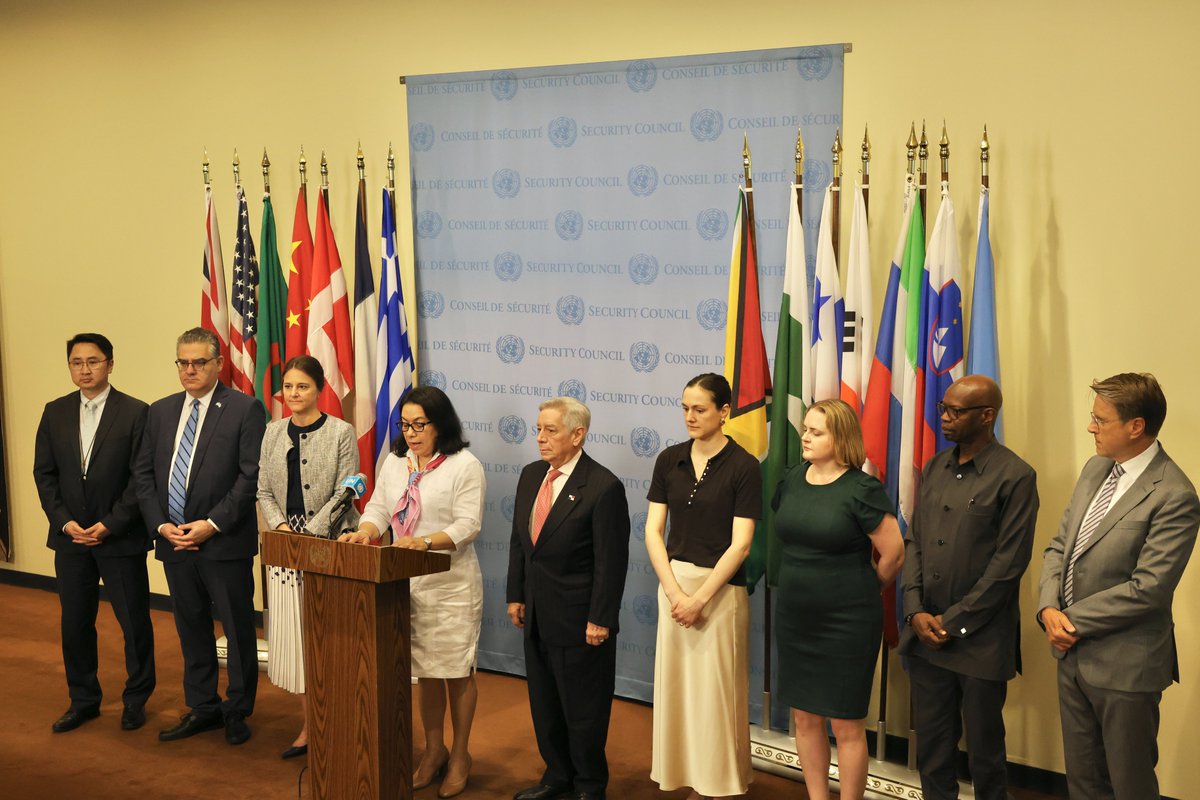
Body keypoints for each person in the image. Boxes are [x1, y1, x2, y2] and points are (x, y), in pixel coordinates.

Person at [1037, 373, 1199, 800]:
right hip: (1071, 656)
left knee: (1128, 785)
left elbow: (1148, 589)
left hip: (1127, 666)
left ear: (1135, 426)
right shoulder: (1095, 470)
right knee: (1083, 782)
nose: (1091, 427)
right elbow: (1059, 547)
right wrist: (1047, 609)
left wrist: (1067, 620)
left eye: (1099, 419)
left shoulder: (1175, 495)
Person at [340, 385, 484, 799]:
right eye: (405, 425)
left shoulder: (464, 465)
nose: (412, 433)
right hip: (404, 582)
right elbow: (380, 509)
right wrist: (366, 532)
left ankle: (460, 755)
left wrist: (423, 542)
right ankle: (434, 749)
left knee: (455, 671)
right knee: (425, 672)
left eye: (420, 424)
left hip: (450, 584)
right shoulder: (396, 462)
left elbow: (467, 524)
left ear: (440, 424)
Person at [900, 375, 1039, 800]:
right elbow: (916, 541)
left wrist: (953, 622)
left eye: (956, 411)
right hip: (926, 635)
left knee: (984, 752)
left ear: (987, 416)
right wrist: (914, 609)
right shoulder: (937, 466)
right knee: (934, 749)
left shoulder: (1015, 475)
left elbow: (1008, 564)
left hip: (979, 640)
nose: (944, 417)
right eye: (944, 407)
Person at [134, 327, 265, 746]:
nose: (189, 370)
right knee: (191, 627)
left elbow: (249, 477)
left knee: (237, 626)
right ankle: (203, 706)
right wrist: (160, 524)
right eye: (183, 363)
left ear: (217, 364)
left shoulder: (244, 409)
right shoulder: (160, 411)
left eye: (198, 362)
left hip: (222, 542)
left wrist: (211, 524)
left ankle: (238, 709)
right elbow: (144, 475)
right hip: (173, 540)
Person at [771, 398, 904, 800]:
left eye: (816, 432)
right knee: (804, 717)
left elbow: (894, 552)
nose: (805, 437)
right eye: (805, 430)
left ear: (840, 437)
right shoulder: (792, 479)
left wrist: (864, 589)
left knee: (846, 724)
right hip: (795, 617)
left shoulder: (861, 488)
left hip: (847, 622)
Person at [506, 397, 630, 800]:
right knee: (544, 703)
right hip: (537, 613)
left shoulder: (602, 486)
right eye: (538, 429)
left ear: (578, 435)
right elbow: (521, 543)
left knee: (584, 709)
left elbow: (611, 562)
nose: (540, 438)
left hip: (581, 620)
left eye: (550, 430)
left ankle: (589, 784)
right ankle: (556, 775)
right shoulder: (530, 476)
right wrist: (515, 595)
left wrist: (601, 618)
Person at [644, 373, 759, 800]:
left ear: (724, 412)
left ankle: (720, 786)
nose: (690, 416)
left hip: (720, 593)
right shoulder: (668, 459)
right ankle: (687, 778)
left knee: (716, 697)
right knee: (677, 691)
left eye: (700, 409)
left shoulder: (744, 466)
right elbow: (654, 531)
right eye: (685, 408)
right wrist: (676, 595)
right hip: (674, 588)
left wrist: (699, 599)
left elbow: (741, 544)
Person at [33, 332, 155, 733]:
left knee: (133, 622)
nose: (84, 369)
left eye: (93, 361)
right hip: (71, 540)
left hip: (119, 537)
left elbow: (142, 478)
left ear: (110, 364)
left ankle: (136, 699)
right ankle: (83, 699)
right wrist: (65, 522)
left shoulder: (136, 412)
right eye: (76, 362)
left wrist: (111, 523)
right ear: (70, 366)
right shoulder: (54, 412)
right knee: (75, 623)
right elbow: (45, 474)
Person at [257, 355, 359, 760]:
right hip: (285, 547)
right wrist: (283, 530)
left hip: (331, 543)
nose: (294, 394)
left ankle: (343, 718)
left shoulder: (341, 431)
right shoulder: (272, 432)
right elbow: (263, 489)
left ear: (319, 389)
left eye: (303, 386)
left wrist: (311, 533)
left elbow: (349, 488)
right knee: (297, 642)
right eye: (288, 386)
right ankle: (310, 724)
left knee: (331, 638)